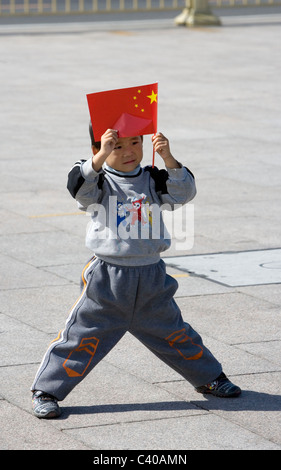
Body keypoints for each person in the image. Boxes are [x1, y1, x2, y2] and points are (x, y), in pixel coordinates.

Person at [31, 127, 241, 419]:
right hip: (108, 279)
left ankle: (210, 378)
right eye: (117, 146)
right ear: (99, 148)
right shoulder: (99, 180)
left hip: (151, 275)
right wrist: (101, 156)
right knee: (82, 336)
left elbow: (184, 193)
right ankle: (47, 391)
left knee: (175, 332)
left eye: (135, 143)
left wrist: (168, 158)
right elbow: (79, 188)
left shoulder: (153, 178)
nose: (129, 151)